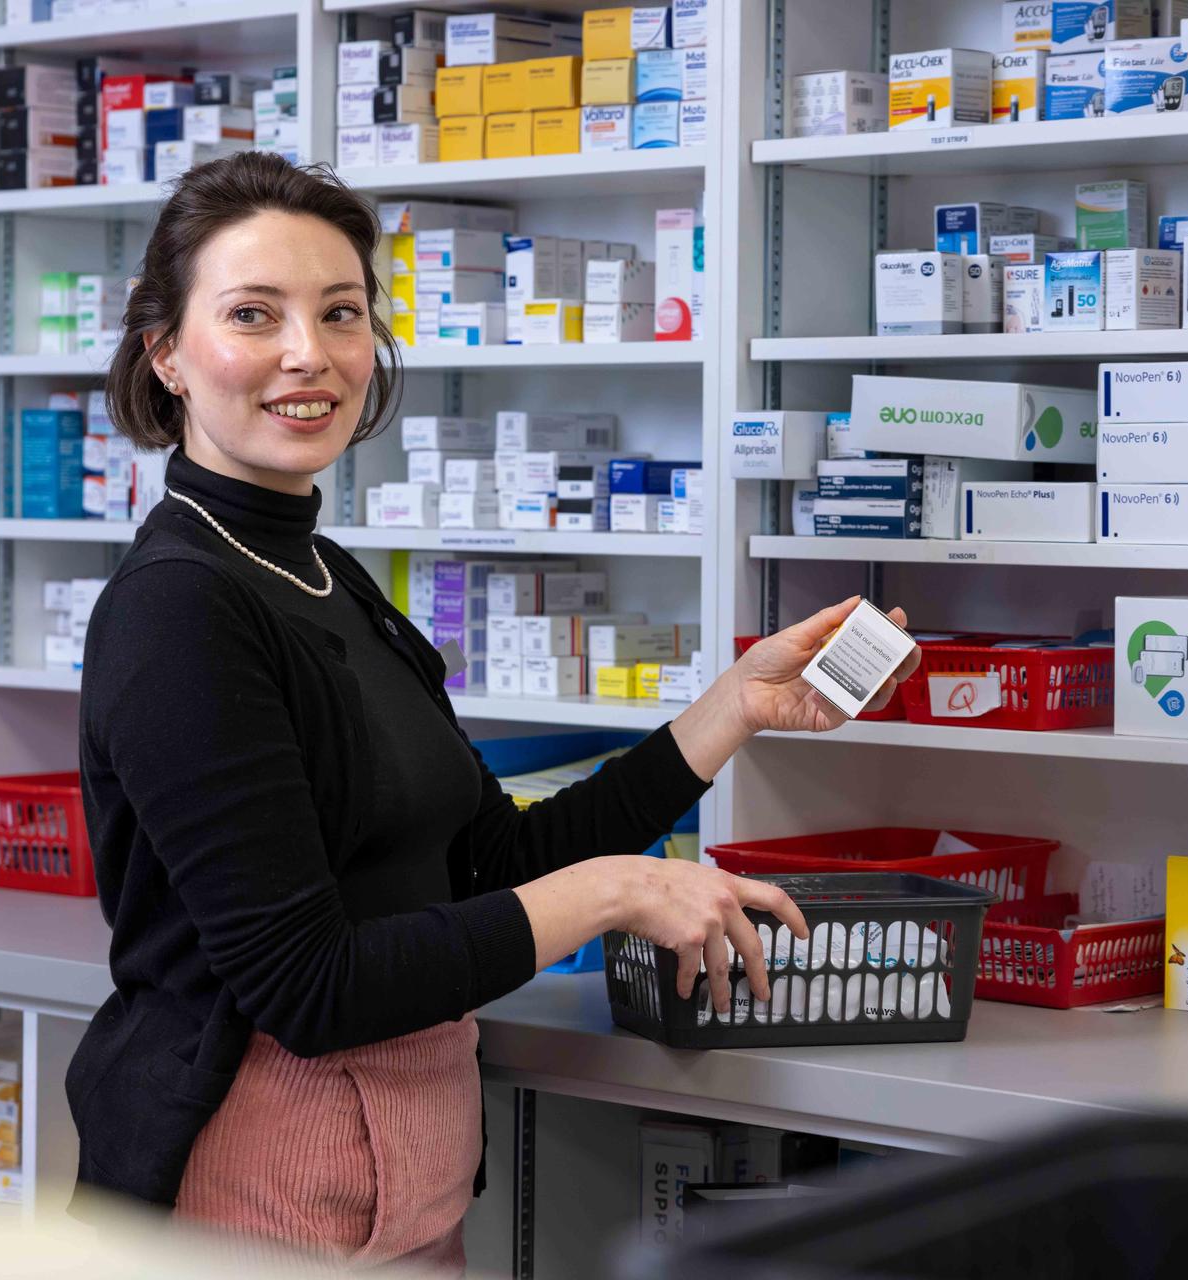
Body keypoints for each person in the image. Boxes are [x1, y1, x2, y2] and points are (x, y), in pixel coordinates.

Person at [68, 152, 920, 1271]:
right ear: (166, 353)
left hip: (401, 1173)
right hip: (254, 1180)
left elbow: (489, 860)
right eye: (251, 314)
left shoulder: (322, 573)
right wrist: (621, 887)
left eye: (341, 313)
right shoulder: (178, 608)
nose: (307, 354)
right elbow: (308, 984)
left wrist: (729, 709)